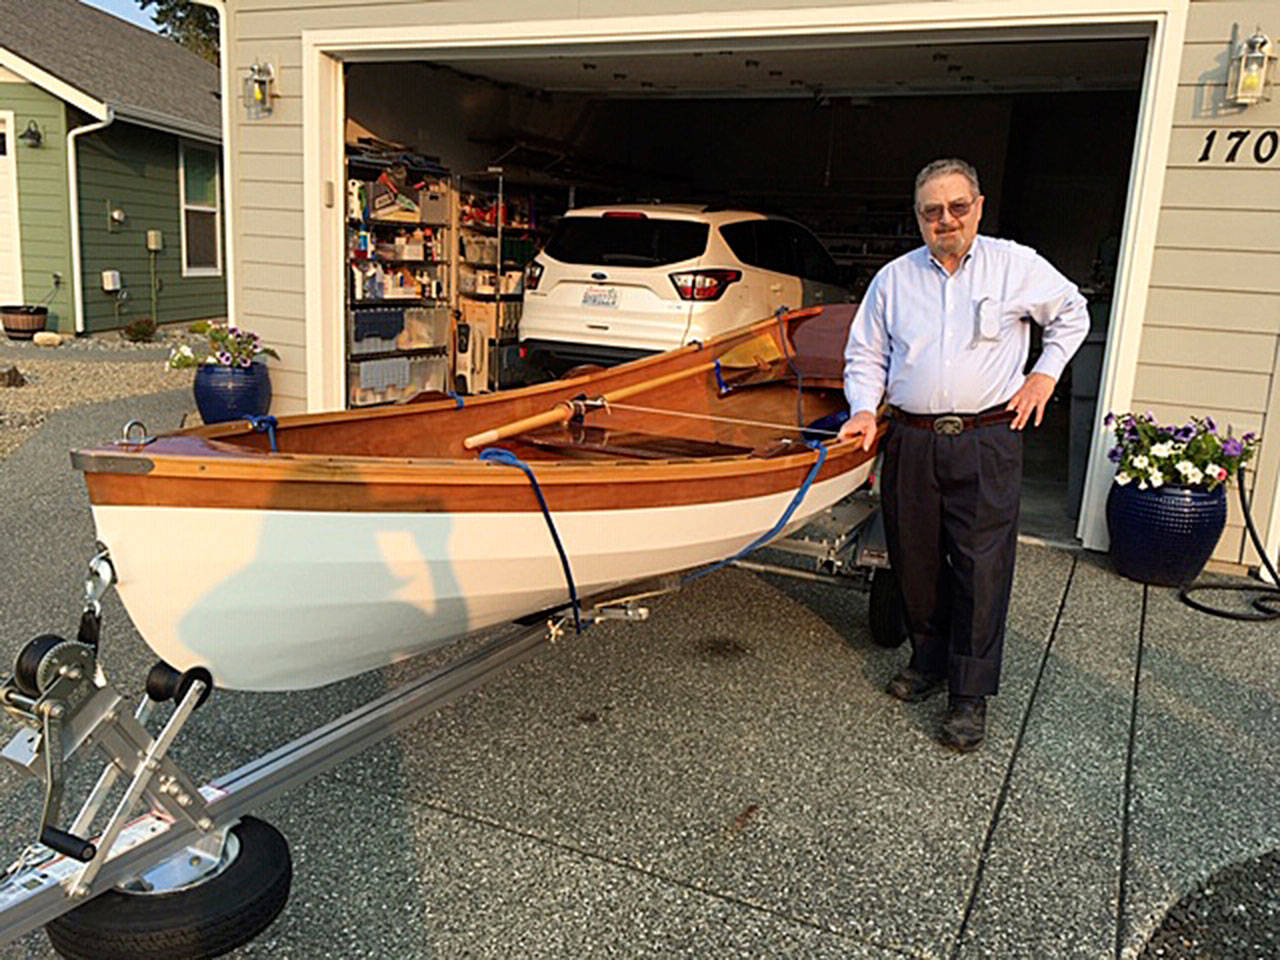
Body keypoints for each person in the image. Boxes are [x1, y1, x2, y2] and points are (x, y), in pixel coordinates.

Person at [838, 158, 1089, 752]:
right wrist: (864, 409)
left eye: (956, 207)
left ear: (977, 207)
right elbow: (866, 354)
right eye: (932, 210)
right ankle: (929, 660)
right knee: (914, 559)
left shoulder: (1015, 265)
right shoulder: (893, 280)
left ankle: (969, 694)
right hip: (912, 439)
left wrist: (1045, 375)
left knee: (982, 566)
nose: (945, 219)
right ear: (918, 216)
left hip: (987, 438)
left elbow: (1072, 312)